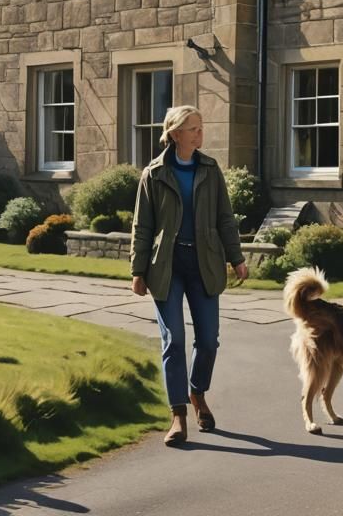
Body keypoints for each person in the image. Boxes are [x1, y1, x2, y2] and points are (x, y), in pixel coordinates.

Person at [130, 104, 248, 446]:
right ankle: (178, 415)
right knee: (174, 341)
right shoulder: (153, 174)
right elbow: (142, 226)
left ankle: (198, 392)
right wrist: (138, 270)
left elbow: (225, 218)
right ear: (175, 133)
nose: (200, 133)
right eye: (193, 128)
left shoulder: (211, 170)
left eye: (200, 127)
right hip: (166, 265)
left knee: (209, 339)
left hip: (204, 264)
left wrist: (237, 257)